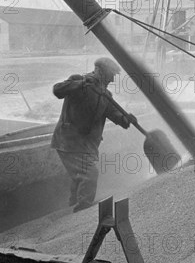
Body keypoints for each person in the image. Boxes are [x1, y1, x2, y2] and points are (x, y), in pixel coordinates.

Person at [51, 57, 135, 212]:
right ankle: (83, 210)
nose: (112, 80)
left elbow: (114, 114)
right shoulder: (78, 82)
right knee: (89, 172)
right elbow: (57, 90)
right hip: (69, 141)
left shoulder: (105, 95)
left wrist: (126, 119)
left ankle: (72, 210)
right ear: (100, 72)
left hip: (88, 144)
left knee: (79, 177)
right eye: (111, 76)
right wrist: (80, 84)